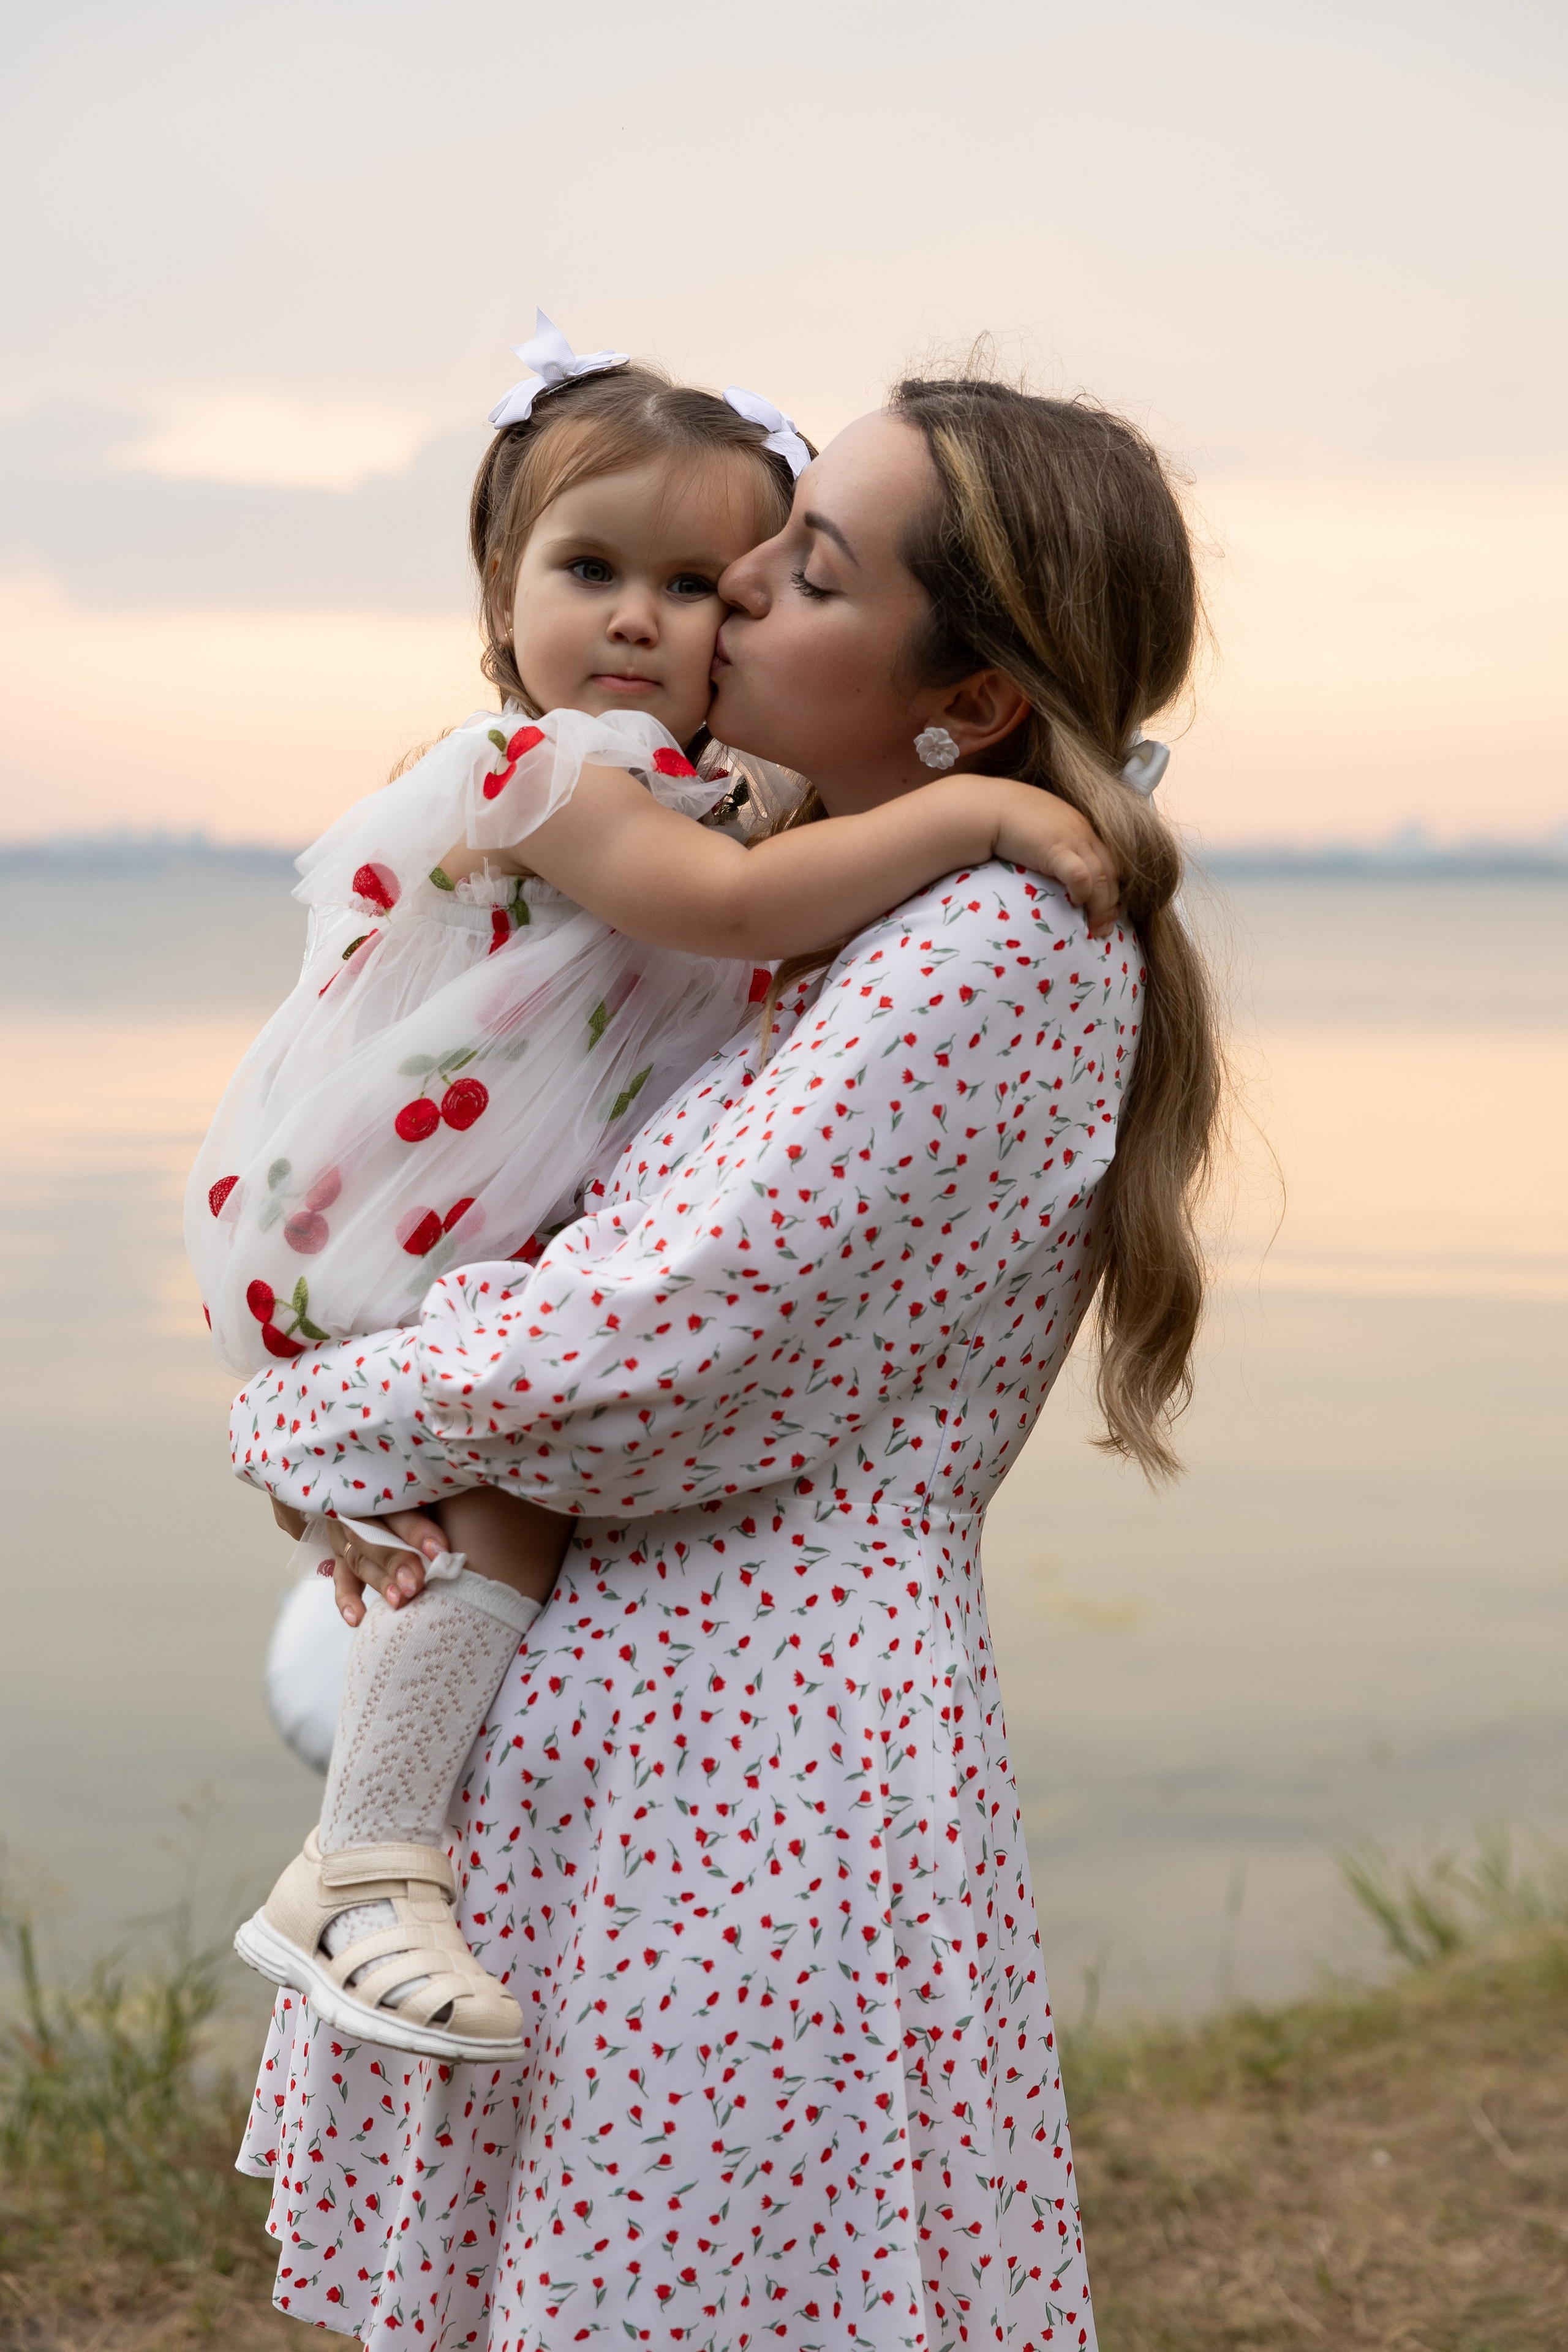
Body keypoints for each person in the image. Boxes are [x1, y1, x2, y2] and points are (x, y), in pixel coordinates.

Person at [233, 371, 1221, 2352]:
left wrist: (307, 1412)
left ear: (973, 703)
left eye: (811, 569)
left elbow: (655, 1344)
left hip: (753, 1786)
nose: (737, 588)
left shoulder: (997, 942)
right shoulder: (841, 920)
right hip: (665, 1778)